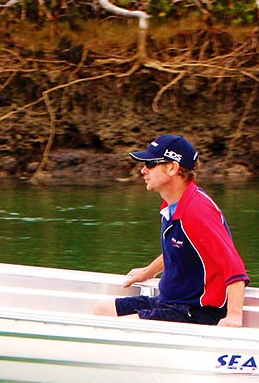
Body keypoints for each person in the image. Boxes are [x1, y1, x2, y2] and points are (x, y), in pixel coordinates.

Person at [95, 134, 249, 327]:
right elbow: (183, 249)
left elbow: (234, 266)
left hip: (194, 311)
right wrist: (148, 272)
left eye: (150, 164)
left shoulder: (197, 210)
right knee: (101, 310)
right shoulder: (173, 205)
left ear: (172, 168)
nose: (143, 170)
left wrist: (234, 316)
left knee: (116, 327)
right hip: (169, 302)